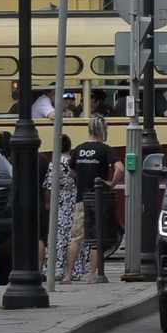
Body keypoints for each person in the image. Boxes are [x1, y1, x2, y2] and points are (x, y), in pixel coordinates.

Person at [65, 116, 123, 285]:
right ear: (102, 130)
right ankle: (92, 276)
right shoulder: (105, 150)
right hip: (98, 199)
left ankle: (68, 275)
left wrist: (83, 178)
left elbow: (71, 171)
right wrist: (112, 183)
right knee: (97, 239)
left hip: (81, 198)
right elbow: (120, 168)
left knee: (77, 238)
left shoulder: (79, 149)